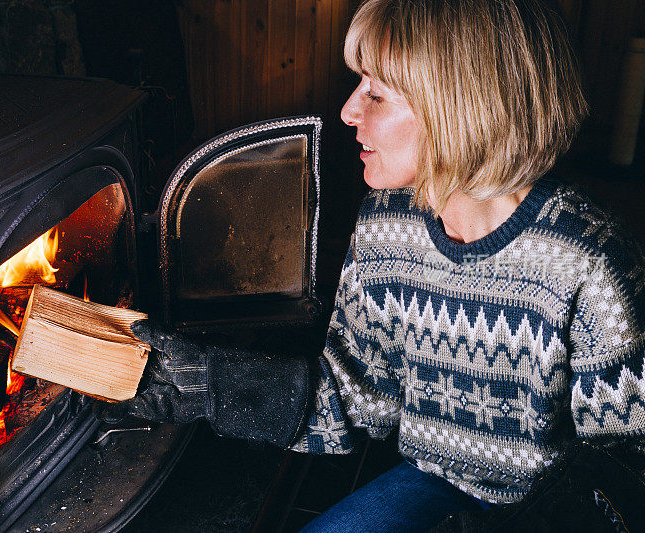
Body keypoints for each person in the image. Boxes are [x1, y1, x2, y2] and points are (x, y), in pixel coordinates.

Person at [97, 0, 645, 530]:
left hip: (553, 509)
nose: (348, 111)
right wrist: (202, 383)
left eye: (376, 95)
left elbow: (626, 476)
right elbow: (351, 401)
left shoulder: (592, 260)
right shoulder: (386, 223)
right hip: (435, 481)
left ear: (461, 108)